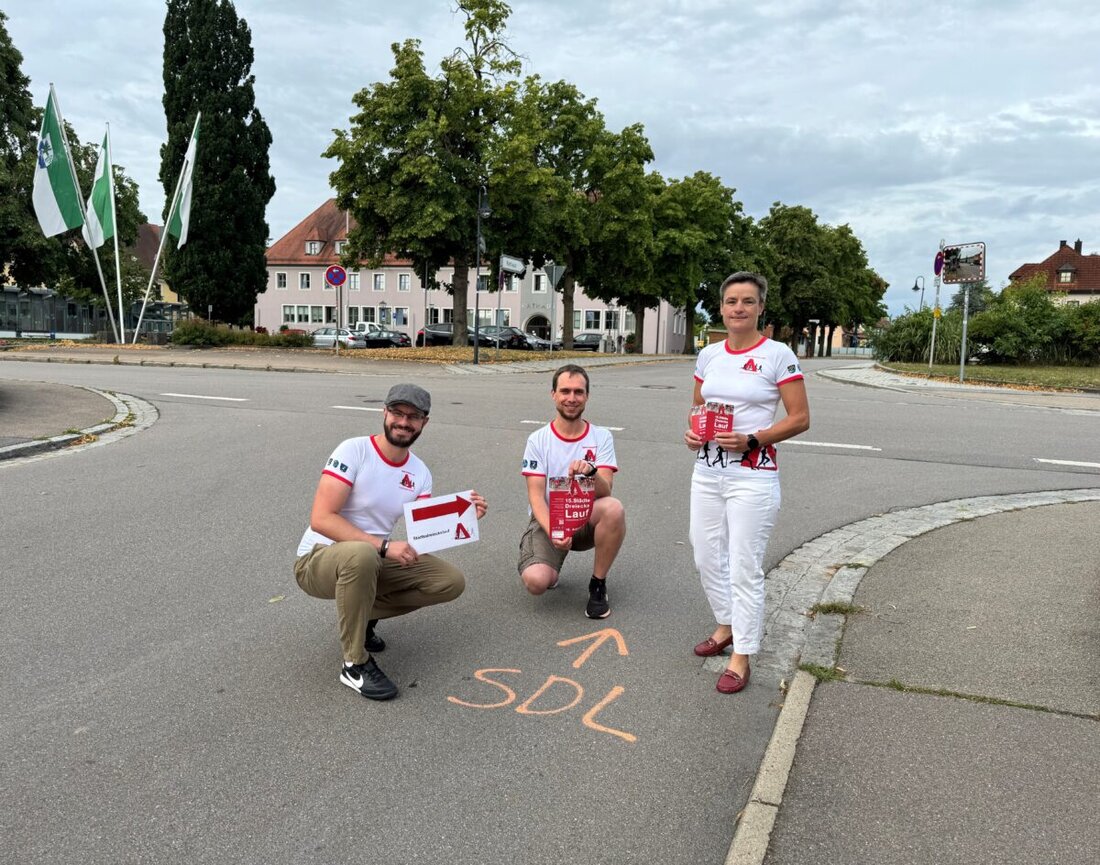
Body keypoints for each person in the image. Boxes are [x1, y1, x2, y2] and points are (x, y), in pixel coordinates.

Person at [294, 383, 488, 701]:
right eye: (397, 412)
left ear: (424, 423)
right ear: (384, 412)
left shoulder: (420, 473)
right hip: (318, 559)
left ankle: (363, 616)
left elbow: (420, 535)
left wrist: (464, 517)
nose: (403, 421)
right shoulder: (353, 450)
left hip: (368, 559)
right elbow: (322, 519)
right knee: (362, 554)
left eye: (413, 416)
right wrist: (383, 546)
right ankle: (354, 663)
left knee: (449, 581)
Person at [684, 272, 809, 694]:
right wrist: (693, 432)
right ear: (720, 308)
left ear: (760, 308)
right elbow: (698, 407)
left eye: (748, 301)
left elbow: (799, 418)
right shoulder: (709, 355)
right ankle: (726, 625)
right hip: (708, 470)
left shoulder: (777, 354)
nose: (739, 308)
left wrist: (753, 439)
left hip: (752, 476)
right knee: (705, 555)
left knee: (743, 565)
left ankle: (742, 655)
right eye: (731, 301)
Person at [519, 364, 626, 619]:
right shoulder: (538, 439)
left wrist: (590, 471)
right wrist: (556, 532)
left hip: (585, 514)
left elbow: (605, 490)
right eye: (565, 391)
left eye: (578, 392)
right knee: (536, 582)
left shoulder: (601, 437)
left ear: (587, 396)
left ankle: (598, 584)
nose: (571, 398)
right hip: (550, 518)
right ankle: (550, 563)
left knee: (614, 508)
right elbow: (535, 496)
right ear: (553, 394)